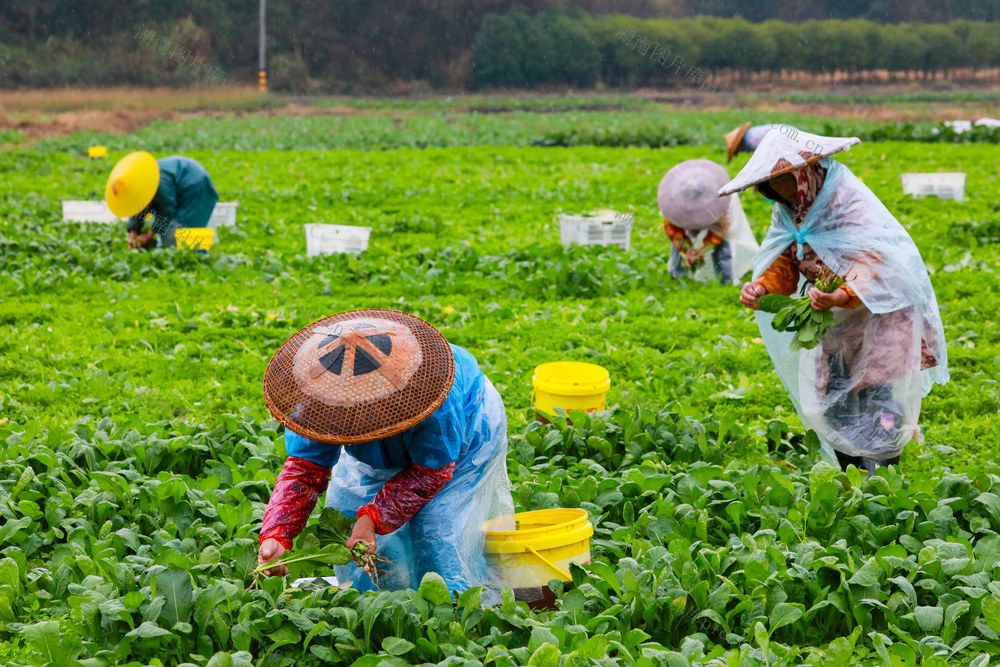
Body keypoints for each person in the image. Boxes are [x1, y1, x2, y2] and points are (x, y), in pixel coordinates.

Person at [724, 129, 949, 474]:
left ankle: (881, 471)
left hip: (881, 314)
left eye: (783, 182)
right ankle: (851, 469)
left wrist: (842, 294)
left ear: (803, 176)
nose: (780, 193)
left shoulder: (847, 201)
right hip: (833, 319)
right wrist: (763, 289)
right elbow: (785, 260)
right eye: (772, 186)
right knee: (836, 394)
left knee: (877, 391)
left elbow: (873, 259)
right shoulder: (790, 210)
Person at [256, 309, 514, 595]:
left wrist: (374, 518)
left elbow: (432, 471)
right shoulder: (317, 401)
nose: (353, 417)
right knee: (347, 518)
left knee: (437, 528)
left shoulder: (431, 395)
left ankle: (454, 607)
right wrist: (277, 534)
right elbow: (305, 469)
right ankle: (374, 601)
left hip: (466, 431)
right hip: (383, 448)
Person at [657, 159, 759, 285]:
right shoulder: (674, 206)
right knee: (676, 246)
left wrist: (703, 250)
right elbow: (673, 231)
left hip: (717, 217)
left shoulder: (723, 203)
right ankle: (676, 274)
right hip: (685, 212)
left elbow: (720, 233)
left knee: (723, 247)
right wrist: (687, 250)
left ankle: (725, 280)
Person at [105, 151, 219, 249]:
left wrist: (149, 236)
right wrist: (133, 232)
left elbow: (166, 212)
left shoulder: (159, 181)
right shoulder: (138, 185)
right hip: (180, 185)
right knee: (167, 231)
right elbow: (139, 207)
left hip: (195, 185)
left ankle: (193, 256)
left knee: (180, 231)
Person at [725, 123, 800, 163]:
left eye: (737, 151)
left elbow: (764, 157)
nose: (740, 152)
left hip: (787, 138)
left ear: (739, 146)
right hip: (790, 131)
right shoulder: (751, 133)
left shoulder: (750, 141)